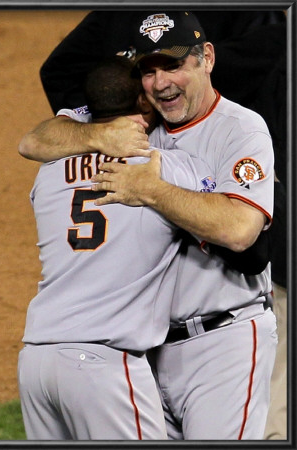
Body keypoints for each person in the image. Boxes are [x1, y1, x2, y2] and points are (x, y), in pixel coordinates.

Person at [19, 11, 278, 440]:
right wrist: (95, 137)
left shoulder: (241, 129)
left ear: (206, 58)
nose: (160, 84)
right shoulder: (136, 122)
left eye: (173, 65)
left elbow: (240, 230)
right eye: (148, 71)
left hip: (223, 339)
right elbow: (33, 141)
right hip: (146, 352)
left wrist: (151, 190)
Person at [17, 55, 219, 440]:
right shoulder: (163, 167)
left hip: (36, 362)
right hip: (104, 365)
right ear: (142, 102)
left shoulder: (47, 173)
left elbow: (38, 140)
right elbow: (230, 211)